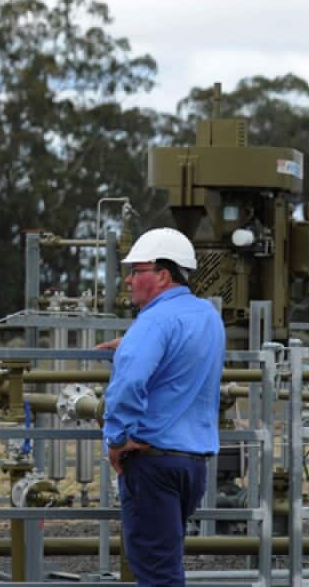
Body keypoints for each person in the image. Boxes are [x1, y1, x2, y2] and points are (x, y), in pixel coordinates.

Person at [97, 227, 225, 586]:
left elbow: (128, 385)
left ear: (163, 275)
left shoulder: (152, 321)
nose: (129, 280)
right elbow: (181, 354)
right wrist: (132, 342)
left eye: (137, 271)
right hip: (193, 463)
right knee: (167, 564)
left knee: (157, 574)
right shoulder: (208, 316)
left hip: (152, 461)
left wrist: (117, 438)